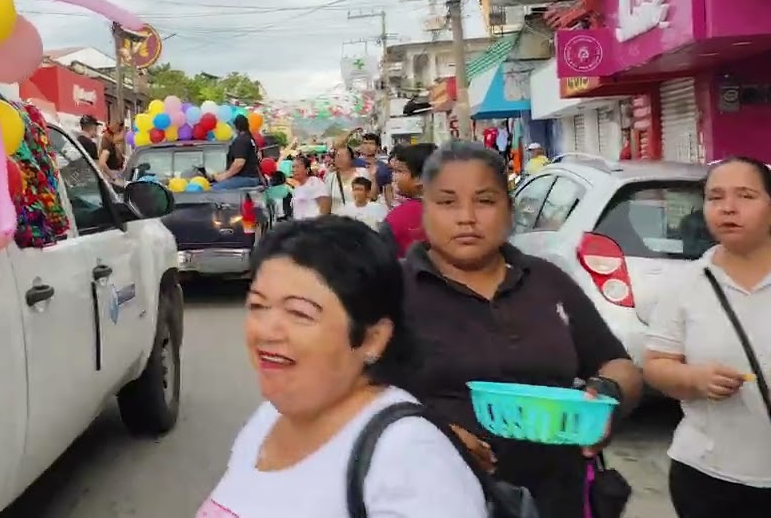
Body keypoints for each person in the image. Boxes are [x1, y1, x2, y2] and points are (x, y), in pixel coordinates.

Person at [400, 141, 642, 518]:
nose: (467, 217)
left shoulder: (547, 281)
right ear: (424, 209)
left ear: (509, 210)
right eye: (447, 202)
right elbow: (352, 395)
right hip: (435, 498)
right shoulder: (392, 291)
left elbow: (617, 363)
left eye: (484, 200)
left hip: (557, 499)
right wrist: (431, 432)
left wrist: (609, 396)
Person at [199, 217, 487, 518]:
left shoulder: (410, 456)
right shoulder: (267, 419)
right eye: (258, 306)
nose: (266, 331)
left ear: (373, 338)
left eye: (299, 313)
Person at [643, 156, 771, 518]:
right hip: (707, 476)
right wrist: (694, 378)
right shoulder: (686, 284)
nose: (728, 208)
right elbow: (655, 366)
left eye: (745, 196)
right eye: (716, 198)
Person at [378, 143, 436, 258]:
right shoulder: (459, 210)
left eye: (400, 171)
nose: (394, 177)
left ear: (420, 178)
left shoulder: (396, 219)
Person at [212, 114, 262, 189]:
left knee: (215, 189)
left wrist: (224, 176)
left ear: (236, 127)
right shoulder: (250, 139)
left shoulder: (241, 140)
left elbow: (239, 163)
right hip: (253, 177)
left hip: (245, 178)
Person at [325, 141, 371, 216]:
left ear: (351, 159)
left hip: (360, 218)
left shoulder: (362, 173)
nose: (340, 159)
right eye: (338, 156)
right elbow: (327, 201)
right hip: (338, 220)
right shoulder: (330, 177)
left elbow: (372, 195)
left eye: (344, 156)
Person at [357, 132, 394, 208]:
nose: (368, 146)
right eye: (365, 143)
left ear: (377, 147)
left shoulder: (384, 167)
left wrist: (391, 208)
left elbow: (388, 190)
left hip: (375, 205)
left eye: (371, 143)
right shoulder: (354, 163)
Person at [289, 155, 329, 220]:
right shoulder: (297, 187)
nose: (294, 170)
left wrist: (320, 224)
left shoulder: (314, 182)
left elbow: (325, 205)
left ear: (306, 169)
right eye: (293, 167)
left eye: (297, 167)